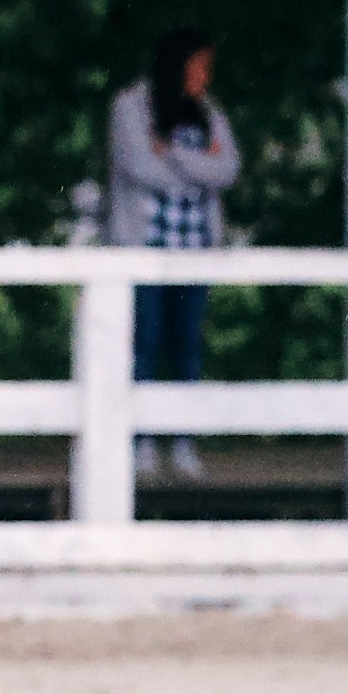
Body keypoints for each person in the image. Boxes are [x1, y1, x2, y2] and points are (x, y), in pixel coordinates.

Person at [108, 27, 240, 482]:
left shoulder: (210, 112)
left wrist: (176, 158)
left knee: (187, 347)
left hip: (196, 249)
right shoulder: (130, 107)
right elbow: (140, 167)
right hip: (145, 249)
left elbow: (228, 170)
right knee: (144, 344)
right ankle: (141, 441)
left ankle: (183, 441)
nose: (206, 74)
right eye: (200, 63)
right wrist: (198, 164)